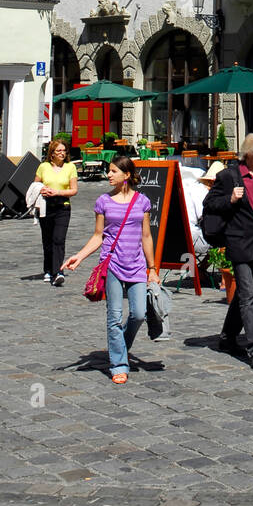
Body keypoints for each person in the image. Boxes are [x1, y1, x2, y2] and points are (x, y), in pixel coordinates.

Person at [62, 155, 158, 385]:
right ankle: (119, 364)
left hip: (136, 265)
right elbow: (98, 236)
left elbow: (146, 236)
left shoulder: (142, 202)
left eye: (113, 171)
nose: (109, 174)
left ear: (126, 175)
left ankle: (120, 345)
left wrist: (152, 268)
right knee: (114, 316)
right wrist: (80, 256)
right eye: (109, 170)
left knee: (139, 314)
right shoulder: (103, 202)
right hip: (112, 263)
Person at [203, 132, 253, 369]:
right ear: (249, 154)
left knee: (243, 295)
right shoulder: (229, 176)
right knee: (249, 296)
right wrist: (229, 199)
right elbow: (209, 204)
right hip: (238, 243)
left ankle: (228, 338)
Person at [35, 139, 78, 286]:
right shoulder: (43, 167)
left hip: (62, 207)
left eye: (64, 150)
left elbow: (74, 190)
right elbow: (36, 185)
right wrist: (42, 189)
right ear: (51, 153)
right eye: (58, 150)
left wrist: (58, 192)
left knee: (59, 239)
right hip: (45, 207)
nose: (62, 153)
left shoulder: (70, 167)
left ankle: (58, 271)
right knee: (47, 240)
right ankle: (48, 269)